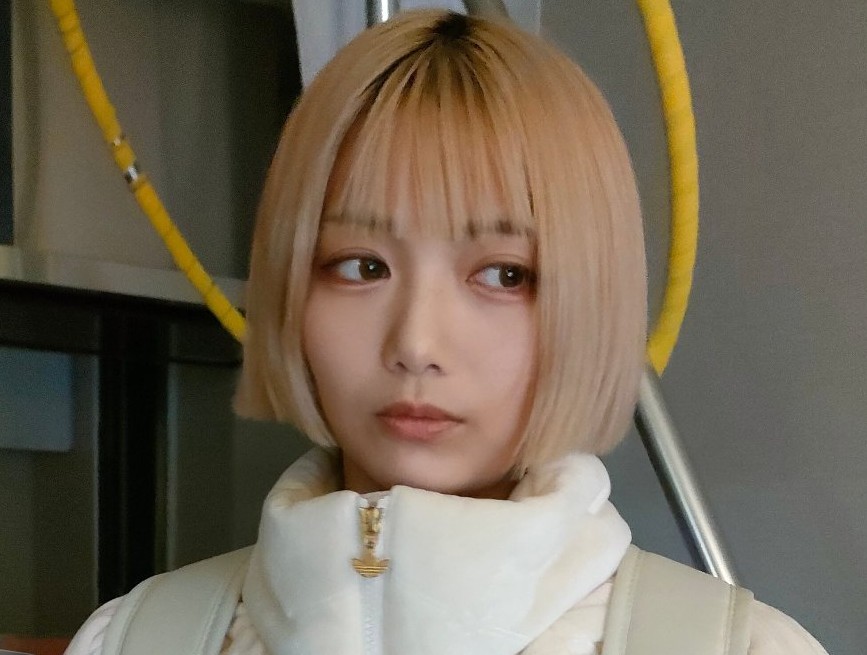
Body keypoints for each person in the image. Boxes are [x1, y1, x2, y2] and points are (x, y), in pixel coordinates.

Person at [66, 9, 828, 655]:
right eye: (361, 266)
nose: (416, 344)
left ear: (589, 297)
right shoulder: (129, 638)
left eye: (503, 274)